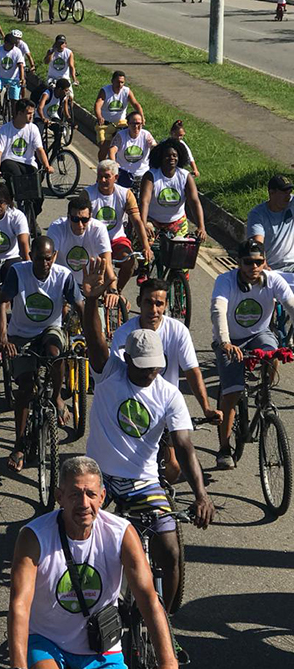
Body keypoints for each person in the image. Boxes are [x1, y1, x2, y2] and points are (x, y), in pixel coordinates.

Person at [8, 456, 182, 669]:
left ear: (103, 496)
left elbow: (148, 599)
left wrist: (167, 661)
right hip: (47, 640)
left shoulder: (120, 533)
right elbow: (19, 605)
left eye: (90, 494)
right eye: (74, 494)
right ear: (59, 497)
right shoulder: (35, 536)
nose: (83, 503)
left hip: (100, 644)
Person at [80, 257, 214, 614]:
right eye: (140, 368)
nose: (148, 375)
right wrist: (91, 300)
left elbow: (185, 446)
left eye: (155, 369)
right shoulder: (111, 374)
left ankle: (163, 623)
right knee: (81, 545)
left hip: (143, 483)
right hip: (99, 477)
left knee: (170, 552)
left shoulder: (169, 394)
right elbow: (95, 342)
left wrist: (200, 494)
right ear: (128, 361)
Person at [111, 277, 222, 482]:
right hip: (134, 406)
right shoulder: (124, 334)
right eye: (148, 302)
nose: (154, 309)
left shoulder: (178, 331)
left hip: (165, 407)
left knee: (174, 466)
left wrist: (206, 408)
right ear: (138, 302)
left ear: (166, 305)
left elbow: (192, 371)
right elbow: (115, 376)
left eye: (159, 303)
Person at [0, 236, 83, 471]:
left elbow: (80, 305)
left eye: (48, 259)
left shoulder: (63, 276)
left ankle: (56, 396)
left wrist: (87, 335)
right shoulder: (18, 272)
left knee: (57, 353)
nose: (44, 264)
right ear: (30, 257)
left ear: (54, 257)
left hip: (49, 329)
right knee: (25, 388)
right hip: (21, 333)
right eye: (38, 259)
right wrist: (3, 337)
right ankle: (19, 445)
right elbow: (3, 301)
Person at [211, 237, 294, 470]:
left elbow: (291, 304)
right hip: (230, 340)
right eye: (248, 262)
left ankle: (264, 391)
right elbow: (218, 310)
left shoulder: (273, 280)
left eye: (258, 262)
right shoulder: (225, 281)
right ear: (238, 262)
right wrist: (225, 342)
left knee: (275, 351)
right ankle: (224, 447)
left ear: (264, 262)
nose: (253, 268)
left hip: (259, 334)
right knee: (232, 392)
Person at [86, 160, 151, 296]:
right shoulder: (87, 195)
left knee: (129, 261)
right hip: (93, 241)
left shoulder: (125, 194)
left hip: (116, 239)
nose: (102, 180)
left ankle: (117, 292)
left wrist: (146, 246)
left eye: (107, 177)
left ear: (116, 178)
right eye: (100, 176)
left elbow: (137, 220)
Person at [46, 192, 117, 294]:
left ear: (90, 217)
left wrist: (113, 291)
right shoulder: (57, 227)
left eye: (84, 220)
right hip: (63, 282)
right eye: (75, 219)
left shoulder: (98, 229)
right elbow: (52, 258)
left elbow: (107, 262)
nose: (79, 225)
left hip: (90, 282)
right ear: (68, 217)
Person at [139, 139, 206, 244]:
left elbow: (194, 202)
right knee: (145, 250)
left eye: (175, 155)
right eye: (167, 155)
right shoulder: (151, 176)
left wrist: (201, 227)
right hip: (153, 222)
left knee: (179, 255)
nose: (172, 158)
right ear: (160, 158)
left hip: (177, 223)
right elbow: (144, 201)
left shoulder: (185, 176)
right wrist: (143, 224)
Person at [0, 99, 51, 180]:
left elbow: (39, 149)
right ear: (20, 113)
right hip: (9, 161)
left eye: (33, 114)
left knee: (36, 179)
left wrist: (47, 166)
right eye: (29, 113)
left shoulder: (33, 128)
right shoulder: (5, 129)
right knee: (17, 177)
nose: (31, 116)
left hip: (28, 163)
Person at [246, 174, 294, 271]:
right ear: (271, 193)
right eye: (284, 193)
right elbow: (257, 243)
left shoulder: (291, 203)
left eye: (290, 192)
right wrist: (263, 265)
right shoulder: (258, 214)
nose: (288, 196)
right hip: (273, 269)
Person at [93, 71, 143, 161]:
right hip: (105, 124)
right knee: (104, 147)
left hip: (121, 123)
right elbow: (97, 105)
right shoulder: (105, 91)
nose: (120, 85)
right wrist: (99, 117)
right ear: (112, 81)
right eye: (117, 82)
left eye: (122, 82)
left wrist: (142, 117)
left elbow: (136, 104)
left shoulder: (126, 91)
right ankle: (102, 166)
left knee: (126, 143)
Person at [108, 110, 156, 189]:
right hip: (124, 173)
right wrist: (114, 163)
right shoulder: (121, 135)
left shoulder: (146, 135)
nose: (136, 127)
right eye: (133, 124)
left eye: (138, 124)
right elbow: (112, 150)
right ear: (128, 124)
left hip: (142, 174)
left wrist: (156, 149)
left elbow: (153, 146)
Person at [0, 33, 25, 118]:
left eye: (13, 44)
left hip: (13, 79)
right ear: (5, 43)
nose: (12, 46)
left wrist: (22, 79)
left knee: (15, 103)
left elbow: (20, 65)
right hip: (0, 77)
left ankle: (13, 121)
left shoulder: (17, 51)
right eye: (10, 44)